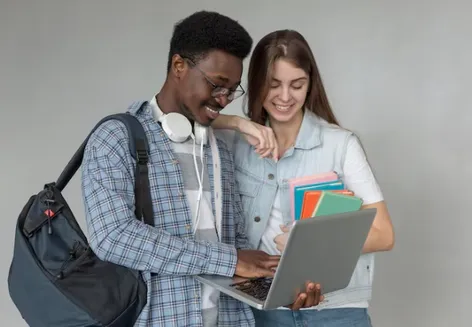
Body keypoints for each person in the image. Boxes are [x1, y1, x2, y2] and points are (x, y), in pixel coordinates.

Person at [80, 13, 320, 327]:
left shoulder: (218, 147)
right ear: (179, 66)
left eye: (233, 89)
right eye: (217, 85)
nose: (224, 99)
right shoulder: (115, 138)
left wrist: (280, 286)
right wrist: (229, 260)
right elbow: (113, 237)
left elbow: (238, 244)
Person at [212, 29, 395, 326]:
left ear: (310, 85)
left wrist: (308, 246)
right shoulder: (233, 141)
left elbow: (384, 235)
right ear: (256, 83)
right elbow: (178, 116)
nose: (285, 97)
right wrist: (236, 122)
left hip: (336, 310)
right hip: (260, 311)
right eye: (273, 85)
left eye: (297, 85)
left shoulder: (341, 144)